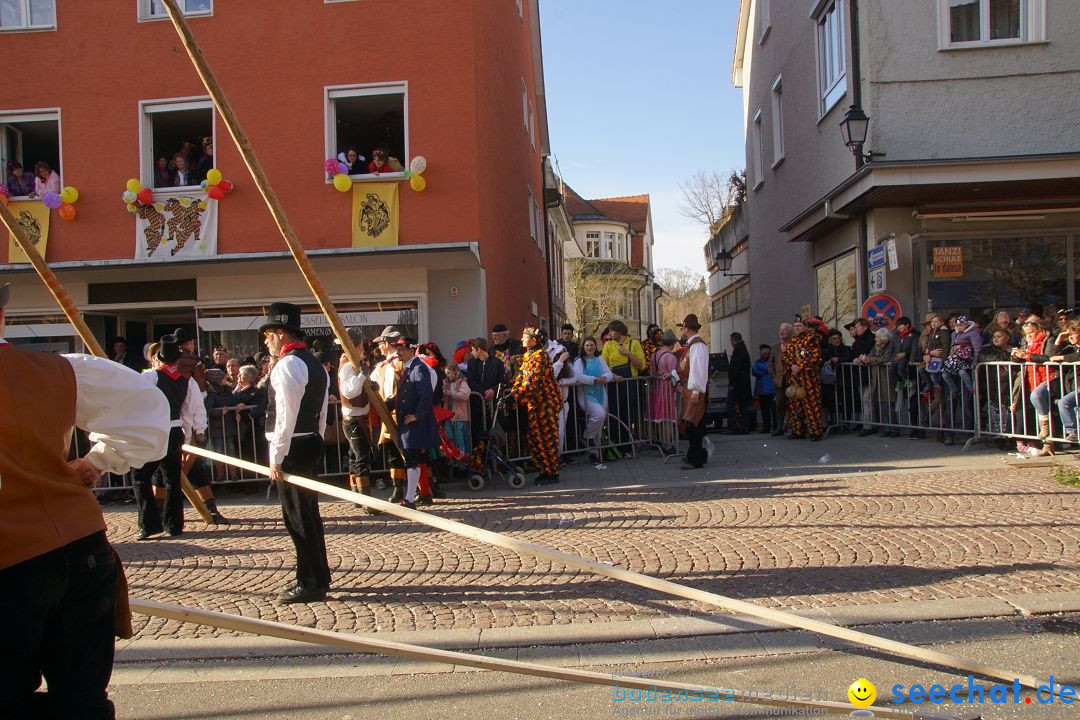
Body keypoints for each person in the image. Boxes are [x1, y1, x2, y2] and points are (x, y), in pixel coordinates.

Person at [0, 282, 170, 720]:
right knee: (82, 702)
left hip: (12, 566)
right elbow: (147, 409)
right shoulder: (54, 370)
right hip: (80, 549)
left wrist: (99, 459)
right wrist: (97, 461)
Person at [260, 302, 331, 604]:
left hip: (293, 446)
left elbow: (284, 418)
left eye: (268, 336)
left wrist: (277, 457)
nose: (266, 342)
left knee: (298, 518)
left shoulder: (288, 365)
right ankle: (319, 573)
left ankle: (310, 581)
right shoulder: (314, 363)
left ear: (279, 334)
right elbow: (324, 411)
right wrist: (319, 438)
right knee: (309, 515)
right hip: (308, 441)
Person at [131, 334, 208, 540]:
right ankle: (174, 525)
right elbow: (195, 408)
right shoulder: (187, 381)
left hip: (155, 432)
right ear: (177, 360)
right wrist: (199, 432)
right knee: (172, 479)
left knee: (140, 477)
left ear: (160, 358)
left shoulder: (150, 377)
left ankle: (148, 525)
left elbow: (136, 401)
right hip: (174, 432)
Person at [511, 326, 562, 484]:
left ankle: (551, 473)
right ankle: (543, 469)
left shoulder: (540, 355)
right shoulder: (528, 354)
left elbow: (533, 381)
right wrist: (512, 392)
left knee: (547, 438)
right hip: (534, 404)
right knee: (535, 438)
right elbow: (521, 376)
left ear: (533, 340)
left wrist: (516, 395)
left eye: (524, 337)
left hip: (546, 403)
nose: (521, 339)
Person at [394, 336, 441, 507]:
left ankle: (409, 498)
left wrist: (417, 415)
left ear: (412, 350)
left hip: (414, 423)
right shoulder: (409, 368)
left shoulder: (418, 368)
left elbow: (426, 394)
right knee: (414, 459)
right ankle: (420, 495)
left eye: (402, 349)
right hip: (409, 422)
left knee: (412, 460)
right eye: (398, 348)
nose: (398, 352)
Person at [336, 328, 378, 514]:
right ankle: (365, 500)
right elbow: (350, 391)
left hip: (357, 416)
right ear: (358, 345)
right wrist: (362, 376)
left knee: (355, 456)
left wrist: (368, 381)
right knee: (361, 457)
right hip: (353, 418)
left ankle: (356, 496)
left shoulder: (353, 364)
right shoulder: (347, 365)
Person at [1012, 314, 1061, 457]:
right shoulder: (1025, 340)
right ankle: (1047, 444)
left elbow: (1047, 357)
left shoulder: (1048, 339)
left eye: (1032, 332)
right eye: (1027, 333)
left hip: (1048, 377)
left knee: (1041, 402)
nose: (1029, 336)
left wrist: (1026, 356)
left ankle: (1048, 436)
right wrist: (1016, 356)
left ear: (1039, 328)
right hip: (1029, 378)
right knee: (1034, 409)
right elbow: (1021, 358)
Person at [371, 325, 408, 501]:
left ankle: (424, 486)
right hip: (388, 414)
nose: (378, 347)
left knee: (411, 450)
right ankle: (398, 488)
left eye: (381, 343)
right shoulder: (381, 366)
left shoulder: (402, 362)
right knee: (393, 451)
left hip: (403, 413)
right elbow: (371, 383)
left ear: (386, 343)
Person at [601, 320, 645, 447]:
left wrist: (628, 353)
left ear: (619, 331)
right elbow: (603, 365)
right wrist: (613, 375)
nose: (609, 334)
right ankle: (615, 444)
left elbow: (641, 366)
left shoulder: (634, 344)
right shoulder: (608, 346)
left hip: (629, 384)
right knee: (614, 414)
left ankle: (627, 445)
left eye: (611, 331)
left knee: (627, 414)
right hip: (614, 384)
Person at [781, 318, 824, 441]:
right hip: (795, 379)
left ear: (805, 327)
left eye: (799, 325)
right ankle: (798, 431)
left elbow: (815, 356)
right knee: (795, 406)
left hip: (809, 380)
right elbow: (785, 357)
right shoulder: (793, 341)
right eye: (795, 326)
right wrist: (792, 366)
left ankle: (815, 432)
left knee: (811, 406)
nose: (797, 328)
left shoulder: (811, 339)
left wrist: (800, 367)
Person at [573, 336, 613, 461]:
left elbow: (608, 372)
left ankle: (594, 452)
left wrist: (604, 378)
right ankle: (586, 437)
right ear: (583, 347)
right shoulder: (579, 360)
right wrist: (594, 379)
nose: (590, 347)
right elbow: (578, 376)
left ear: (595, 347)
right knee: (599, 415)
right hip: (586, 393)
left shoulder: (599, 358)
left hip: (600, 392)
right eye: (587, 345)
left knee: (599, 423)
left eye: (592, 345)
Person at [677, 314, 709, 469]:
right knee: (693, 424)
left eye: (682, 327)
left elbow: (698, 370)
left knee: (694, 424)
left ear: (686, 328)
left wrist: (696, 390)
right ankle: (695, 455)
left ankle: (696, 459)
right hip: (691, 389)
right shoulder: (694, 345)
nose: (681, 330)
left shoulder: (697, 345)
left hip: (695, 390)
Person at [466, 337, 505, 446]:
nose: (471, 352)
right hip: (477, 405)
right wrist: (484, 393)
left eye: (473, 350)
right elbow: (471, 381)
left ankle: (494, 458)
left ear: (479, 349)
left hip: (493, 406)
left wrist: (493, 390)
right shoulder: (471, 363)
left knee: (493, 433)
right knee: (477, 434)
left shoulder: (497, 363)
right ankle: (479, 459)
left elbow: (503, 381)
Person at [648, 330, 680, 452]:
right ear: (672, 343)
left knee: (660, 417)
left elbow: (652, 373)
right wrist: (679, 389)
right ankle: (668, 445)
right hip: (667, 388)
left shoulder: (654, 355)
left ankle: (660, 441)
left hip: (656, 387)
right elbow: (674, 375)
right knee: (667, 417)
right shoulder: (670, 357)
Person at [1051, 321, 1080, 445]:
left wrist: (1063, 358)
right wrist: (1058, 340)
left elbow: (1074, 357)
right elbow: (1052, 357)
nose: (1071, 337)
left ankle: (1072, 432)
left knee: (1065, 402)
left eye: (1074, 334)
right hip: (1073, 385)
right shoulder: (1071, 348)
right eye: (1069, 335)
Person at [769, 323, 793, 436]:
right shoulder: (775, 347)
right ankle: (779, 427)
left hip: (793, 379)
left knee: (794, 404)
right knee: (779, 404)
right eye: (780, 330)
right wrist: (773, 376)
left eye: (784, 330)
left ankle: (795, 427)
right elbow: (771, 363)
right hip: (779, 380)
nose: (781, 332)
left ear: (790, 332)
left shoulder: (795, 345)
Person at [726, 332, 752, 433]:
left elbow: (735, 369)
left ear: (733, 341)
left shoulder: (738, 351)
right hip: (743, 384)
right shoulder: (743, 349)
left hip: (738, 385)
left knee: (731, 405)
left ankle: (734, 426)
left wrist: (732, 384)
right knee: (743, 406)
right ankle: (743, 426)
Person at [752, 344, 776, 435]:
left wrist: (763, 369)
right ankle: (766, 427)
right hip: (762, 391)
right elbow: (754, 371)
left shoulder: (771, 361)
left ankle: (776, 426)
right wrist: (767, 370)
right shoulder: (757, 362)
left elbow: (769, 368)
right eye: (763, 352)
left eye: (767, 353)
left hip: (772, 390)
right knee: (764, 410)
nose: (765, 354)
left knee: (774, 410)